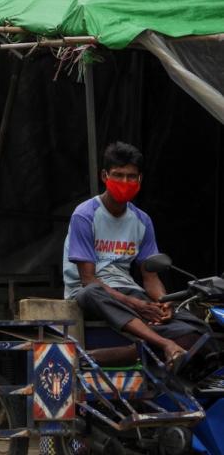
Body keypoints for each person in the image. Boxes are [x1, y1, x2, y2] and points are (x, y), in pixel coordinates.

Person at [63, 141, 207, 369]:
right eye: (118, 175)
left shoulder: (142, 220)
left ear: (139, 179)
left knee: (199, 328)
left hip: (129, 294)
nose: (124, 182)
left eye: (131, 177)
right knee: (90, 292)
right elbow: (88, 280)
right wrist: (138, 306)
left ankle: (121, 354)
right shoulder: (85, 215)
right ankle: (164, 344)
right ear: (104, 176)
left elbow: (150, 278)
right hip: (92, 296)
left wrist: (162, 303)